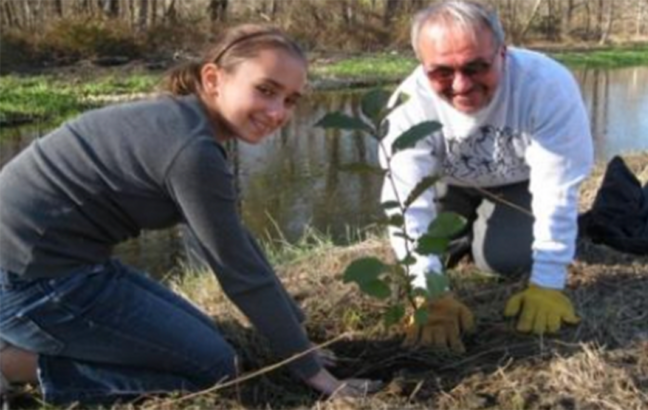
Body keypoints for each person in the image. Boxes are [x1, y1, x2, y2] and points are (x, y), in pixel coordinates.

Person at [0, 24, 377, 404]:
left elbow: (235, 242)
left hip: (69, 266)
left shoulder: (184, 123)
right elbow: (237, 271)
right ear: (213, 79)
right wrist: (312, 371)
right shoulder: (191, 150)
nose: (278, 112)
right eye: (265, 90)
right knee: (215, 369)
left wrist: (294, 328)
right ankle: (11, 364)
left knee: (214, 341)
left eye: (291, 100)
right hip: (31, 284)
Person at [381, 1, 594, 352]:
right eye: (442, 73)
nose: (461, 85)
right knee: (427, 258)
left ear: (503, 53)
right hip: (444, 184)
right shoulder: (407, 106)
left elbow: (556, 190)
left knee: (502, 260)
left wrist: (548, 284)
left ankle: (481, 228)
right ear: (422, 66)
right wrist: (428, 293)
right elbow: (405, 204)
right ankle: (463, 227)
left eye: (476, 66)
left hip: (518, 182)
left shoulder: (546, 86)